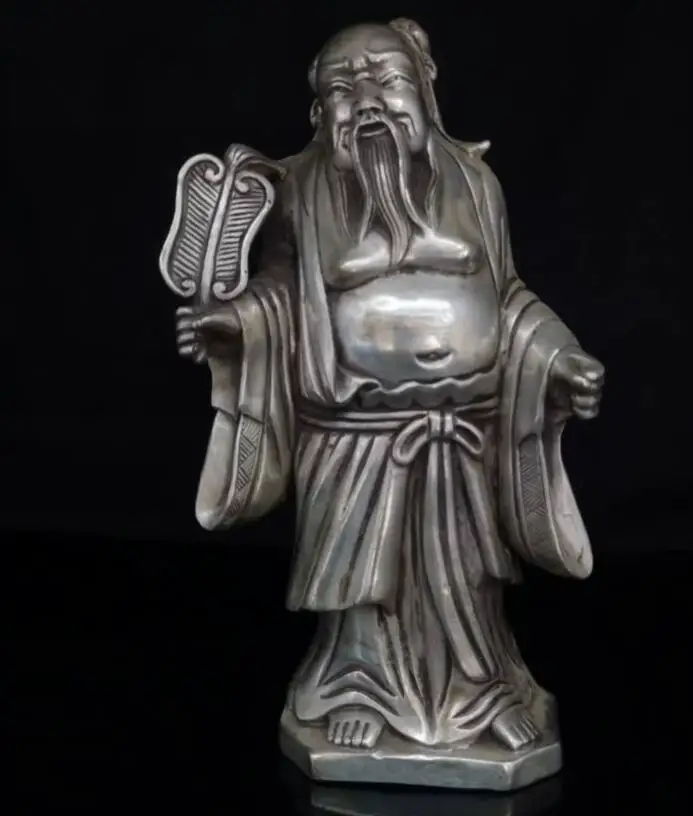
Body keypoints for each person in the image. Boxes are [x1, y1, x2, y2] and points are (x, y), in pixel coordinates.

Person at [174, 19, 604, 753]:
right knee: (361, 584)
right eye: (342, 89)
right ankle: (358, 687)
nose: (367, 100)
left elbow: (508, 300)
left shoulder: (475, 185)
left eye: (387, 78)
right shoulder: (301, 190)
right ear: (319, 114)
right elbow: (280, 298)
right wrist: (235, 325)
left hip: (464, 429)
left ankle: (481, 692)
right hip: (354, 436)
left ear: (426, 90)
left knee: (467, 578)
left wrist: (559, 358)